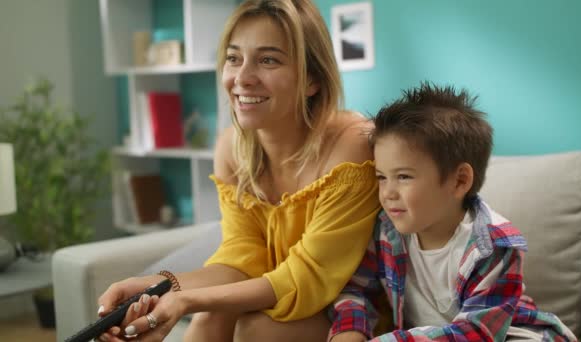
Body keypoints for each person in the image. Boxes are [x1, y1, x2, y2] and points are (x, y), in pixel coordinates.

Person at [96, 0, 381, 341]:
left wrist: (185, 301)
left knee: (254, 329)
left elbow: (308, 279)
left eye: (268, 60)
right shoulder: (233, 149)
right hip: (279, 296)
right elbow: (242, 261)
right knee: (212, 317)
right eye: (233, 58)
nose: (242, 78)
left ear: (313, 80)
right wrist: (155, 286)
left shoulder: (351, 147)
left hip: (353, 311)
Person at [329, 82, 577, 342]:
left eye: (403, 176)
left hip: (507, 334)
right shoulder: (386, 230)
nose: (387, 192)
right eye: (382, 177)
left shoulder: (494, 245)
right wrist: (350, 331)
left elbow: (476, 334)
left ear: (459, 181)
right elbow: (356, 289)